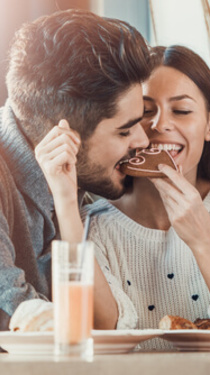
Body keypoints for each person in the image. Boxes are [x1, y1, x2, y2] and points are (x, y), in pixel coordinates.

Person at [38, 45, 210, 348]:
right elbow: (101, 336)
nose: (160, 124)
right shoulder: (90, 226)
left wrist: (204, 238)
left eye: (182, 111)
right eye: (145, 112)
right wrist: (66, 201)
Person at [0, 9, 151, 330]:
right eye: (125, 131)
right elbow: (21, 316)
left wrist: (67, 203)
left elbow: (107, 323)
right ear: (62, 135)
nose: (144, 139)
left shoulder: (76, 184)